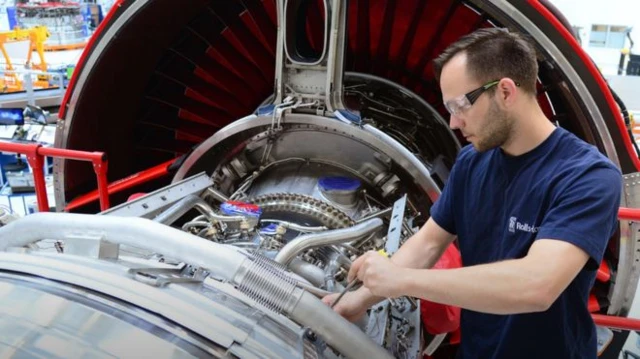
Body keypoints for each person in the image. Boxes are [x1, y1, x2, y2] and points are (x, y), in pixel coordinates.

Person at [322, 28, 622, 358]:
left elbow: (537, 285)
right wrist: (357, 300)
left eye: (460, 105)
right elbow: (430, 242)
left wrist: (401, 280)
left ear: (506, 92)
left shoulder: (587, 176)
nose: (453, 122)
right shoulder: (472, 162)